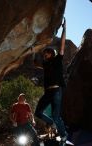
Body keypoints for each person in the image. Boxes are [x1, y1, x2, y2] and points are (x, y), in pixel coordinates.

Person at [34, 17, 67, 146]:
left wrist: (65, 29)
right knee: (38, 112)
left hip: (57, 90)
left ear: (51, 54)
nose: (44, 55)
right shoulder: (45, 65)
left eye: (46, 54)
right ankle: (51, 123)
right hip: (47, 92)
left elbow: (62, 44)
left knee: (56, 115)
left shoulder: (58, 60)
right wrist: (33, 52)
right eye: (43, 55)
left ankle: (63, 135)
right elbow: (35, 63)